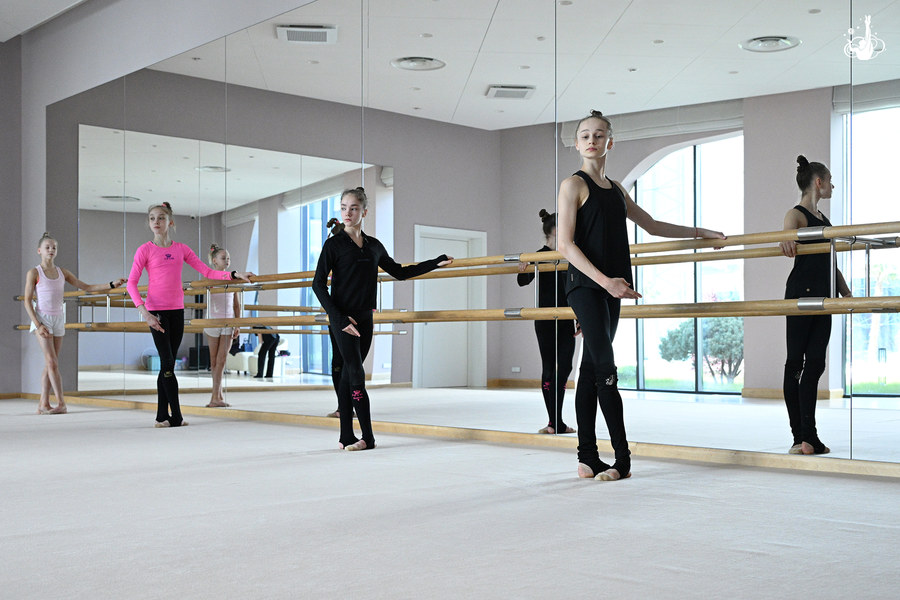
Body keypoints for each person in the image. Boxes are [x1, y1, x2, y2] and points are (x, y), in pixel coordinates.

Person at [557, 110, 725, 481]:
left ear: (610, 142)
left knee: (590, 370)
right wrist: (606, 282)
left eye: (599, 135)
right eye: (584, 135)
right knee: (605, 368)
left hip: (613, 286)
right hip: (587, 285)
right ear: (577, 143)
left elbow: (652, 225)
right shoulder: (573, 185)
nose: (591, 140)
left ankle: (587, 458)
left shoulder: (617, 189)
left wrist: (702, 232)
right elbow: (565, 245)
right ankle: (623, 459)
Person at [312, 187, 453, 451]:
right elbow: (318, 284)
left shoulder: (374, 246)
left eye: (353, 208)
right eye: (343, 208)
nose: (347, 213)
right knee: (355, 373)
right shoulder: (334, 244)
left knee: (349, 376)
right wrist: (339, 319)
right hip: (343, 320)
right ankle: (368, 437)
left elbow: (399, 272)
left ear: (364, 212)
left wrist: (434, 263)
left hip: (365, 318)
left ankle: (346, 436)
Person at [126, 202, 253, 427]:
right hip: (156, 313)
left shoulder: (181, 249)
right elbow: (131, 284)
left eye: (161, 217)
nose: (156, 222)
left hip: (176, 311)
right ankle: (176, 416)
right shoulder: (144, 250)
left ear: (170, 222)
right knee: (167, 362)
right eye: (152, 218)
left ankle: (161, 417)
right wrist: (145, 313)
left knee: (167, 365)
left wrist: (233, 274)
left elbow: (208, 271)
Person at [779, 155, 851, 455]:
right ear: (818, 182)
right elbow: (786, 234)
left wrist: (846, 293)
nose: (832, 186)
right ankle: (801, 437)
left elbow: (830, 263)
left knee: (817, 363)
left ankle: (808, 436)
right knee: (795, 363)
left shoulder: (824, 221)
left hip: (823, 297)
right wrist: (786, 240)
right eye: (830, 181)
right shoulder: (795, 214)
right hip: (800, 294)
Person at [23, 232, 126, 415]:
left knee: (51, 364)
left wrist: (111, 284)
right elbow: (27, 301)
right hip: (42, 319)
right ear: (39, 251)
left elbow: (87, 287)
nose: (51, 250)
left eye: (54, 247)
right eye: (47, 247)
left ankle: (43, 404)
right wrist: (38, 324)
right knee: (51, 362)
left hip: (58, 318)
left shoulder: (62, 272)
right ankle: (61, 403)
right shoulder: (34, 273)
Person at [517, 209, 576, 435]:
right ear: (554, 230)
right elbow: (523, 281)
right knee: (549, 367)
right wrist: (523, 267)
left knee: (565, 367)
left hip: (566, 317)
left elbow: (576, 288)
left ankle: (555, 422)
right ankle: (554, 422)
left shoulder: (570, 254)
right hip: (545, 318)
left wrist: (579, 316)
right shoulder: (539, 255)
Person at [203, 243, 241, 407]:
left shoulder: (233, 279)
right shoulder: (209, 278)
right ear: (214, 261)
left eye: (228, 258)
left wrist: (238, 324)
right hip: (212, 321)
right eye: (223, 258)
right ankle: (216, 396)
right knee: (213, 361)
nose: (227, 261)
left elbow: (236, 305)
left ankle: (216, 397)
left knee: (222, 359)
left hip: (228, 322)